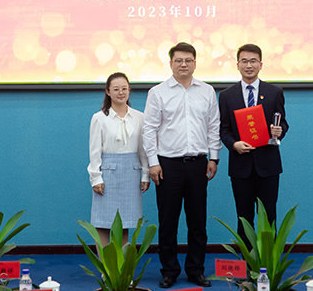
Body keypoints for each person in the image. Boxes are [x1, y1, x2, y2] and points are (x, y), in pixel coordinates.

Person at [143, 42, 221, 288]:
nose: (183, 64)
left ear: (195, 63)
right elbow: (149, 129)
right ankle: (169, 271)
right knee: (168, 221)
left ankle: (196, 270)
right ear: (171, 64)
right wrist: (153, 163)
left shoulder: (207, 91)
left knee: (198, 221)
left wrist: (214, 157)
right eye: (178, 60)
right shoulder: (158, 92)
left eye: (188, 60)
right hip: (168, 166)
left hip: (198, 164)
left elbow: (214, 126)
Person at [218, 43, 289, 246]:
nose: (249, 65)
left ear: (261, 64)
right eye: (244, 61)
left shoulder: (274, 92)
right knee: (244, 218)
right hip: (241, 166)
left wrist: (279, 131)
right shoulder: (227, 95)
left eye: (253, 61)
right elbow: (224, 129)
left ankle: (268, 262)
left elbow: (283, 123)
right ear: (237, 65)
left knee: (269, 217)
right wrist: (234, 144)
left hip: (268, 165)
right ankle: (247, 263)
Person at [87, 72, 150, 250]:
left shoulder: (139, 117)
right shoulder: (99, 118)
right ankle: (105, 264)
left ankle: (121, 265)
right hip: (107, 173)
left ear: (129, 90)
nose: (121, 92)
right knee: (103, 221)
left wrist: (145, 174)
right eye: (116, 89)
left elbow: (142, 149)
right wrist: (96, 178)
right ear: (108, 92)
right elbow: (94, 151)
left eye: (124, 89)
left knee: (125, 221)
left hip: (131, 172)